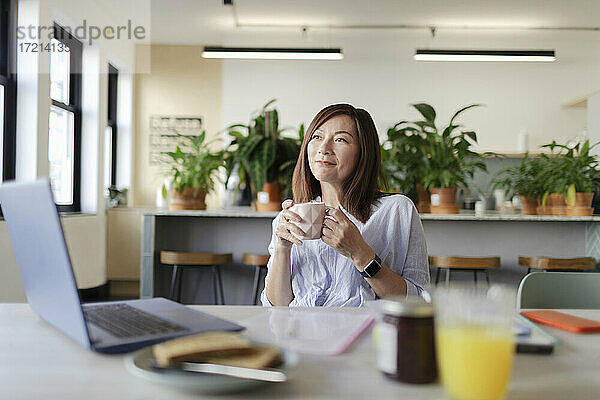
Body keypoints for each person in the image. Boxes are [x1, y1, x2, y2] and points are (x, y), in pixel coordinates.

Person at [261, 103, 429, 307]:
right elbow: (277, 307)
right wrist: (282, 247)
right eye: (317, 137)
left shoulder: (397, 210)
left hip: (366, 332)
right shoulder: (290, 217)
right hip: (299, 333)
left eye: (340, 139)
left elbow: (417, 301)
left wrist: (360, 254)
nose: (323, 149)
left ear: (363, 152)